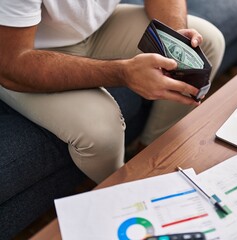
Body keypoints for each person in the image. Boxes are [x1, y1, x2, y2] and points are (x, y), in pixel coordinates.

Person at [0, 1, 225, 184]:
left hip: (94, 30)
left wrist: (173, 38)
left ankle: (152, 161)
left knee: (206, 46)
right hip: (22, 53)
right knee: (102, 131)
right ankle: (126, 194)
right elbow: (12, 64)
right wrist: (123, 73)